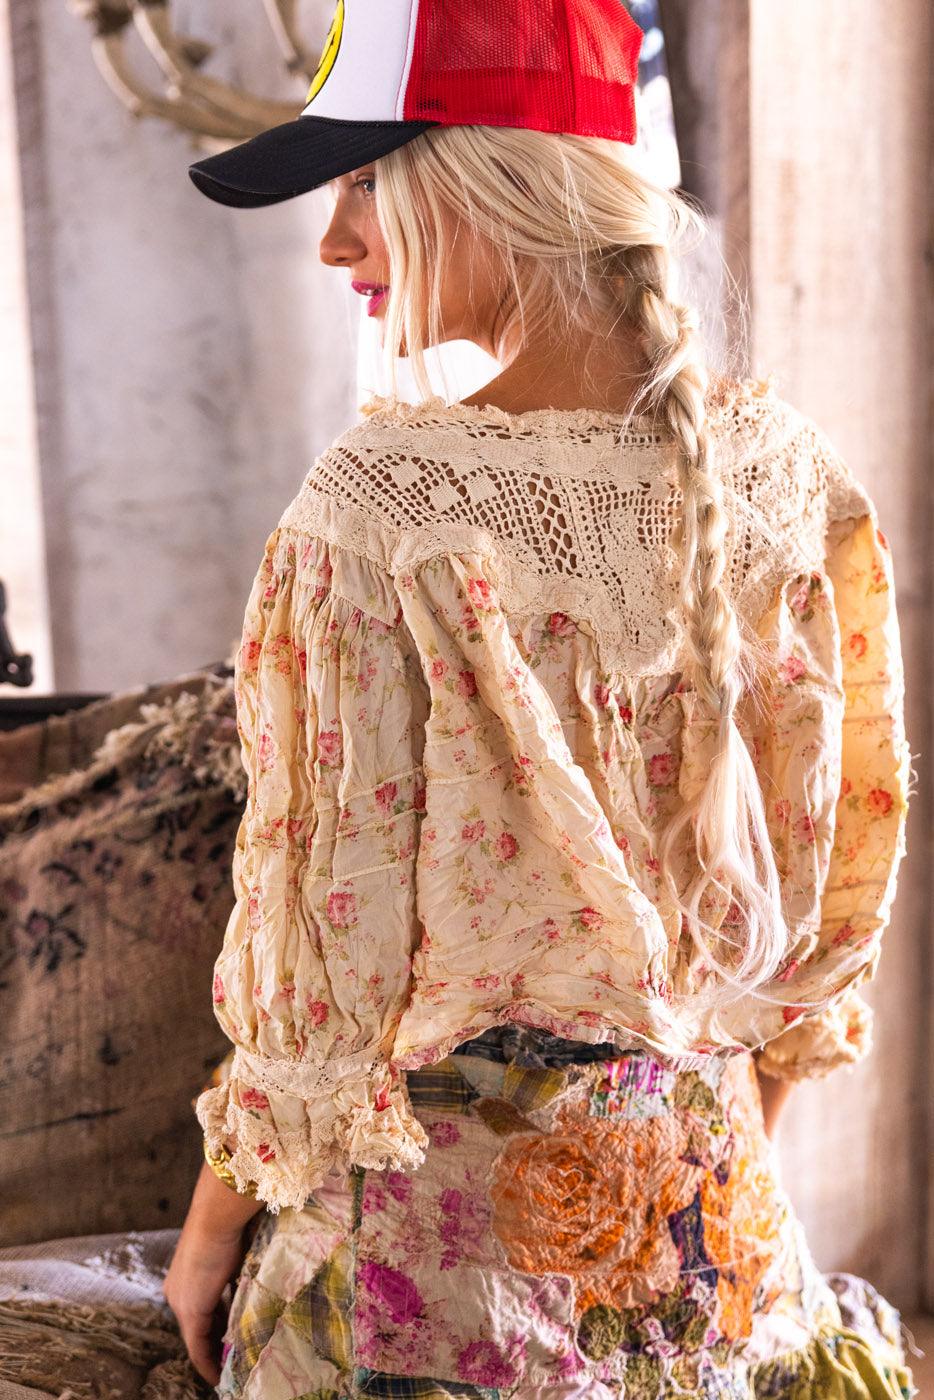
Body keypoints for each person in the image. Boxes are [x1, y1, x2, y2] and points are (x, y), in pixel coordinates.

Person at [163, 2, 916, 1396]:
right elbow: (830, 908)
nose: (334, 244)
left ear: (495, 182)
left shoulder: (380, 511)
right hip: (715, 1263)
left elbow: (324, 958)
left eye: (363, 186)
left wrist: (208, 1239)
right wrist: (697, 1199)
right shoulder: (785, 480)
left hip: (434, 1302)